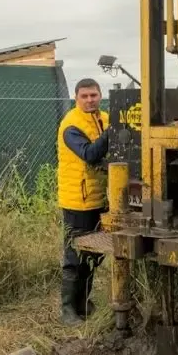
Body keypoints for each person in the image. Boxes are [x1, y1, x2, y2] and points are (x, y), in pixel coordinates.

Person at [56, 77, 111, 326]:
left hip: (98, 198)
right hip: (77, 200)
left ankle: (82, 303)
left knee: (93, 255)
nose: (90, 100)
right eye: (85, 96)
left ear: (100, 96)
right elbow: (89, 154)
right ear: (76, 98)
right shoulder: (71, 125)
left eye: (94, 95)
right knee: (74, 256)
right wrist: (112, 132)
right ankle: (67, 309)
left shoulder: (104, 118)